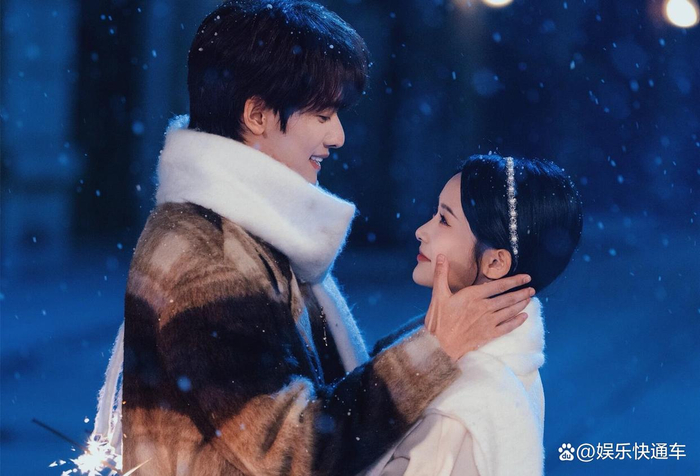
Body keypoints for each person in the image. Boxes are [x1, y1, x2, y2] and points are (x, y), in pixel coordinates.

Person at [85, 3, 534, 475]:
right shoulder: (209, 254)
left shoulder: (250, 228)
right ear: (257, 114)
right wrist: (434, 349)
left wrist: (441, 332)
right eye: (322, 114)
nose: (338, 136)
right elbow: (292, 451)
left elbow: (325, 384)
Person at [365, 154, 584, 476]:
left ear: (495, 263)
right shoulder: (513, 370)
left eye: (444, 220)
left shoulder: (456, 408)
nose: (421, 231)